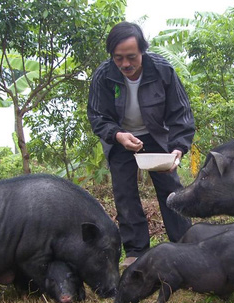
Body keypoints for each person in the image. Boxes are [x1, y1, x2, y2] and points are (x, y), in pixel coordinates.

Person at [87, 21, 195, 269]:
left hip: (156, 136)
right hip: (121, 138)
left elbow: (181, 113)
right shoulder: (104, 76)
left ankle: (185, 245)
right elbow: (97, 116)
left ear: (143, 51)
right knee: (125, 194)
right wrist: (117, 135)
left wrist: (178, 148)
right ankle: (136, 252)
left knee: (171, 191)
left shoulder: (162, 70)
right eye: (118, 58)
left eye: (131, 57)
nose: (125, 64)